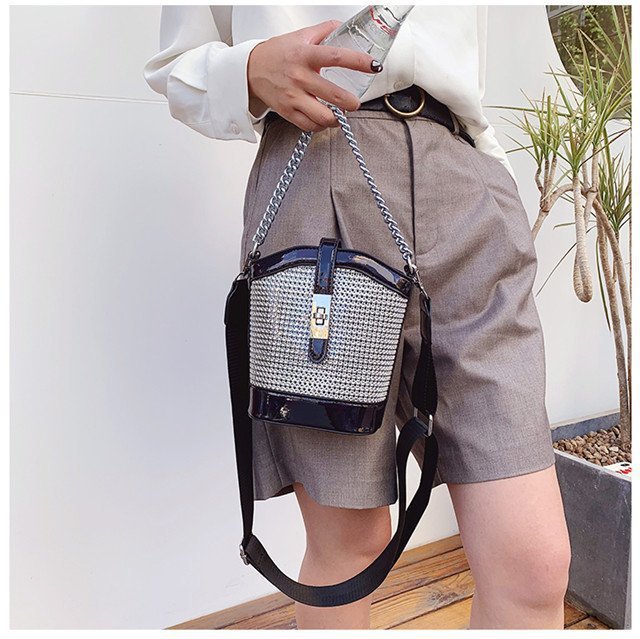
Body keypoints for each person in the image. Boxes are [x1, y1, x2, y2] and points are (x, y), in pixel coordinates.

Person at [144, 5, 571, 630]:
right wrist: (251, 70)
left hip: (462, 175)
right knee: (349, 546)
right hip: (321, 167)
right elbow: (178, 66)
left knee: (533, 569)